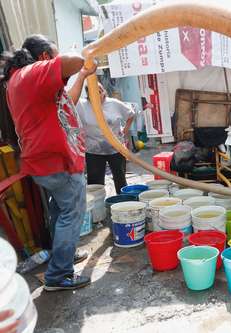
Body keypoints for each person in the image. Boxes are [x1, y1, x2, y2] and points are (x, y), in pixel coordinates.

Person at [2, 34, 96, 291]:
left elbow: (68, 104)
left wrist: (83, 76)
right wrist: (84, 53)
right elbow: (74, 60)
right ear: (44, 57)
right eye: (53, 55)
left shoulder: (21, 81)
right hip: (57, 161)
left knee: (59, 212)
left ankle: (62, 257)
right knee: (71, 214)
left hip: (43, 162)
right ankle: (59, 275)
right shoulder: (33, 73)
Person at [77, 82, 135, 194]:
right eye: (93, 92)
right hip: (94, 150)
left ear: (104, 92)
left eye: (99, 91)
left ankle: (123, 202)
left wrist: (125, 130)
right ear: (88, 94)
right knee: (95, 183)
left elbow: (131, 114)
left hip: (116, 148)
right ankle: (97, 207)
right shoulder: (82, 105)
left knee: (120, 179)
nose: (97, 94)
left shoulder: (113, 104)